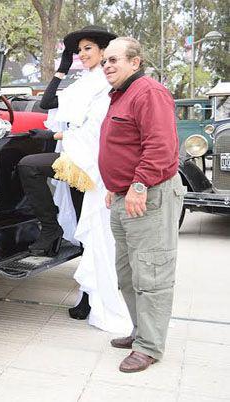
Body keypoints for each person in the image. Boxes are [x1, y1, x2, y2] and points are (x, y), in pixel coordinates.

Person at [16, 26, 133, 334]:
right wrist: (62, 68)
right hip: (75, 156)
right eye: (78, 50)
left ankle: (85, 292)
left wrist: (54, 134)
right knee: (86, 225)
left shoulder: (103, 83)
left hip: (90, 161)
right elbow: (48, 102)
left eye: (88, 49)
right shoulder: (83, 81)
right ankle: (56, 237)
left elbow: (95, 129)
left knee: (90, 225)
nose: (82, 54)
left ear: (104, 52)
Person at [99, 37, 185, 373]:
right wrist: (115, 187)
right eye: (105, 60)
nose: (107, 65)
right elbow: (124, 146)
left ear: (136, 62)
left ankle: (149, 346)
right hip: (125, 197)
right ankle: (140, 332)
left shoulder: (148, 92)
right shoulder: (120, 95)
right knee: (127, 273)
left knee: (151, 273)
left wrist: (137, 184)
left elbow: (161, 147)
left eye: (114, 59)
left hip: (149, 196)